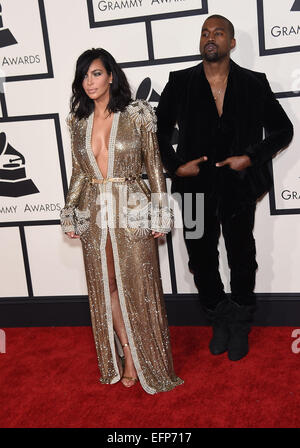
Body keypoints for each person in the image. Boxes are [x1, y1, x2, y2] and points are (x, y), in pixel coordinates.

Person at [156, 15, 293, 361]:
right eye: (205, 33)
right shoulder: (180, 82)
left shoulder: (253, 83)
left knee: (242, 258)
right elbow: (155, 134)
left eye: (218, 32)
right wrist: (175, 166)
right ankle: (219, 319)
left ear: (232, 43)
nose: (210, 37)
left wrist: (251, 157)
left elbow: (282, 130)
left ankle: (241, 323)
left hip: (238, 190)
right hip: (194, 192)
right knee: (201, 260)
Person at [60, 48, 183, 394]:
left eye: (96, 73)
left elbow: (154, 166)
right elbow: (80, 173)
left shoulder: (138, 114)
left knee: (139, 287)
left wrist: (160, 210)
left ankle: (150, 361)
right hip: (95, 213)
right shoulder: (78, 121)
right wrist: (71, 211)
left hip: (132, 208)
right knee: (108, 285)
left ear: (111, 76)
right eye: (84, 76)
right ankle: (127, 353)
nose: (89, 81)